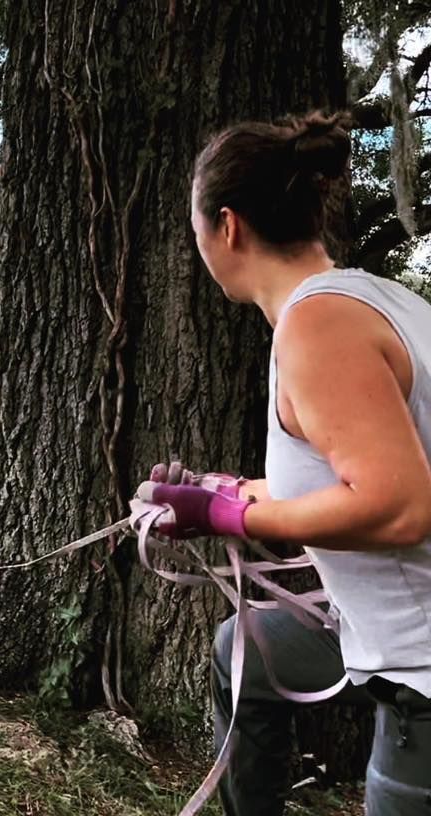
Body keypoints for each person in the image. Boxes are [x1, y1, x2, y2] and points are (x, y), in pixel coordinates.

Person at [134, 111, 431, 815]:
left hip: (423, 673)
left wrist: (229, 514)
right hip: (375, 631)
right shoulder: (382, 301)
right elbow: (344, 474)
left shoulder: (318, 322)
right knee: (247, 651)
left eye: (195, 225)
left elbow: (398, 503)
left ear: (227, 226)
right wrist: (221, 493)